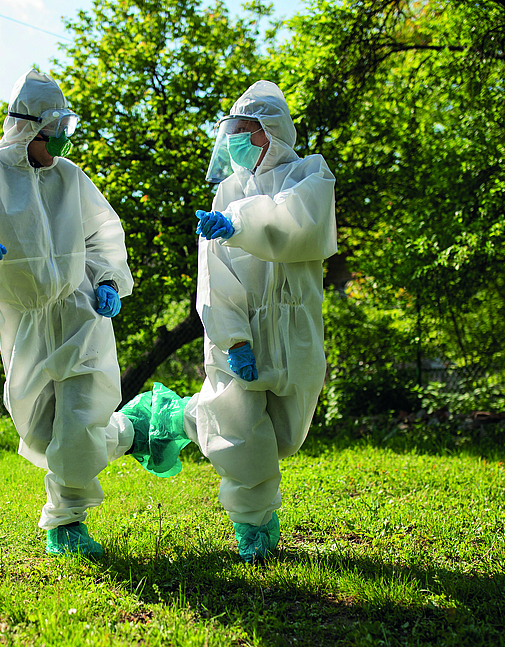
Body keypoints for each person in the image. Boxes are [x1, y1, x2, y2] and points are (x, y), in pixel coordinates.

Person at [0, 69, 143, 557]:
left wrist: (105, 280)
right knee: (38, 428)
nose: (59, 141)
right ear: (26, 128)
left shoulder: (69, 177)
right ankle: (137, 430)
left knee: (78, 422)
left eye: (64, 129)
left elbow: (102, 232)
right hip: (24, 320)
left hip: (80, 313)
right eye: (52, 130)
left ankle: (66, 523)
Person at [120, 80, 337, 563]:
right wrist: (232, 339)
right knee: (243, 435)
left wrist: (238, 223)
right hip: (239, 328)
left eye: (244, 132)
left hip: (296, 329)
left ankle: (173, 417)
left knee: (284, 434)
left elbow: (298, 223)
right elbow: (214, 277)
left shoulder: (310, 175)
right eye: (231, 133)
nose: (235, 143)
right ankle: (254, 529)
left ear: (270, 132)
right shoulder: (226, 190)